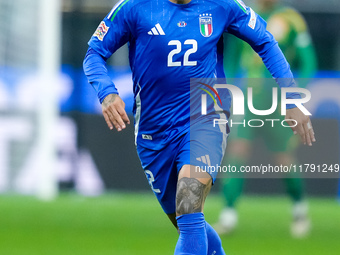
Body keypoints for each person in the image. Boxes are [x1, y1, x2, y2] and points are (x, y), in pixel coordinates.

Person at [83, 0, 315, 254]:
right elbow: (95, 52)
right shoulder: (135, 7)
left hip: (205, 119)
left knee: (189, 199)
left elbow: (265, 41)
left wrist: (291, 96)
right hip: (153, 134)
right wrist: (106, 93)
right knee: (189, 222)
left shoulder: (221, 5)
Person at [214, 0, 317, 238]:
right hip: (249, 101)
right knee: (237, 152)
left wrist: (295, 96)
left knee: (283, 159)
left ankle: (299, 210)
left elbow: (309, 61)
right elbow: (231, 58)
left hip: (277, 103)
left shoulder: (291, 18)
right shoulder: (244, 16)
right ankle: (228, 215)